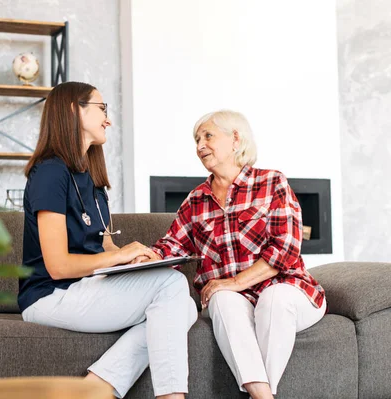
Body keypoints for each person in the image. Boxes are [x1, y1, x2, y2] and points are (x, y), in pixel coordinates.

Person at [18, 81, 198, 399]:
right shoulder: (50, 174)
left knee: (185, 306)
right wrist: (119, 256)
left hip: (87, 287)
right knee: (170, 287)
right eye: (102, 109)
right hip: (49, 295)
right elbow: (58, 266)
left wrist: (131, 258)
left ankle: (96, 388)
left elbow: (103, 244)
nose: (108, 119)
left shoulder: (92, 179)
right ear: (75, 110)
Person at [147, 110, 326, 399]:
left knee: (273, 297)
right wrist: (139, 258)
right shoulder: (196, 200)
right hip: (236, 301)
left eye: (208, 136)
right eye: (196, 139)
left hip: (289, 291)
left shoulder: (272, 183)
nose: (199, 145)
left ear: (235, 139)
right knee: (220, 298)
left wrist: (233, 281)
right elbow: (171, 247)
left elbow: (285, 250)